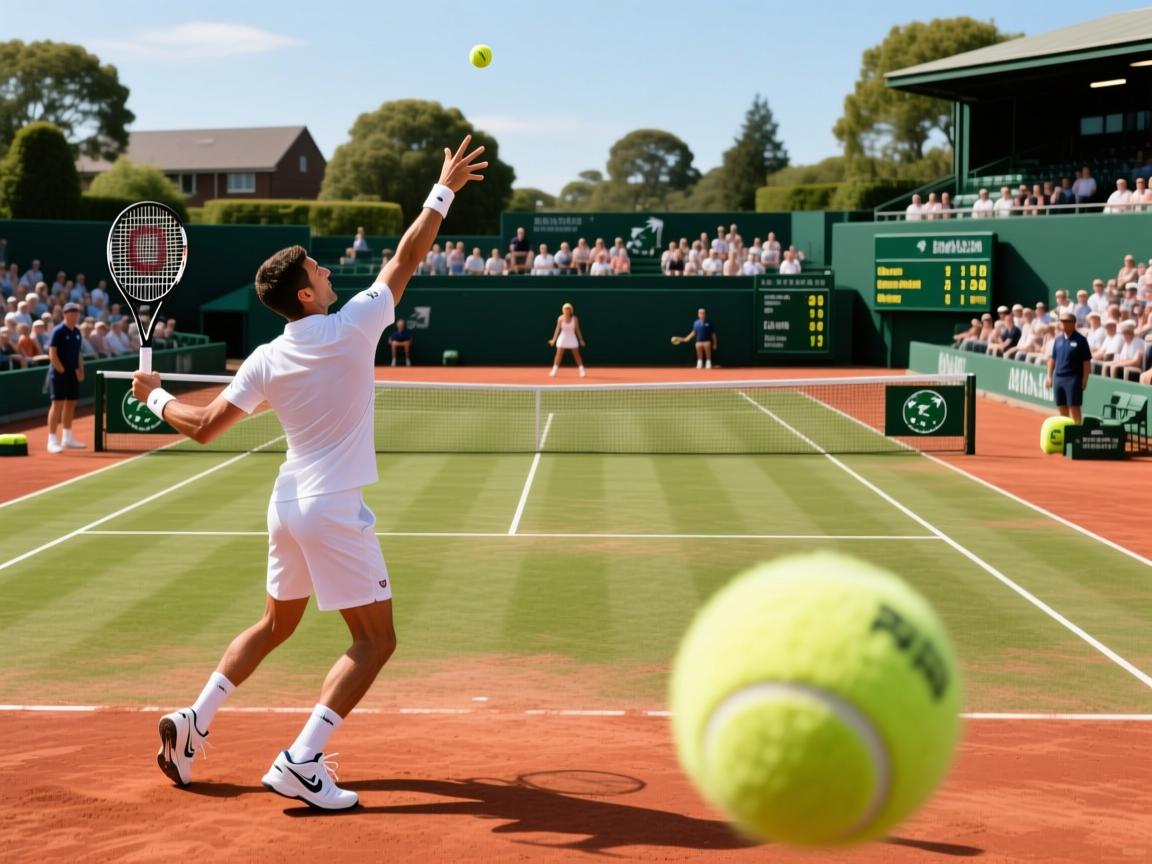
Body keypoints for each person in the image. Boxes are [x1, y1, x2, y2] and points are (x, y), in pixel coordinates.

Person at [131, 136, 487, 810]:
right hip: (331, 508)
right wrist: (443, 190)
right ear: (306, 292)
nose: (330, 273)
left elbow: (203, 428)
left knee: (274, 625)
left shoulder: (265, 356)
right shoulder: (355, 326)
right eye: (321, 270)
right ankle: (302, 759)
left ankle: (195, 721)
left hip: (287, 504)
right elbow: (408, 255)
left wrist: (152, 395)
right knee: (375, 641)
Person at [46, 303, 86, 453]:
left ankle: (67, 438)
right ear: (66, 314)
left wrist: (81, 371)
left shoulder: (77, 332)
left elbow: (79, 355)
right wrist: (61, 370)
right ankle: (51, 440)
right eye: (73, 312)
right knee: (57, 405)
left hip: (73, 374)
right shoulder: (58, 331)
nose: (76, 315)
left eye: (77, 313)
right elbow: (52, 353)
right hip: (59, 374)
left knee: (71, 404)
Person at [1046, 310, 1091, 424]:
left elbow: (1086, 362)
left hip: (1073, 378)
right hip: (1059, 378)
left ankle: (1076, 432)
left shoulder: (1081, 340)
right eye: (1062, 322)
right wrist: (1049, 376)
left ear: (1073, 323)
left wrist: (1085, 379)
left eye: (1066, 322)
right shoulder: (1058, 340)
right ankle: (1066, 430)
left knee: (1074, 406)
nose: (1063, 324)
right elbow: (1053, 359)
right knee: (1061, 406)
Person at [548, 301, 586, 377]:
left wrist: (581, 340)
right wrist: (553, 340)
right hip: (563, 338)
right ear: (563, 310)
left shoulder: (575, 319)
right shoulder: (560, 318)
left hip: (572, 338)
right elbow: (557, 330)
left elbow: (577, 330)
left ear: (571, 310)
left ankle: (582, 371)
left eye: (568, 309)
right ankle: (554, 371)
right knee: (558, 355)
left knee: (577, 355)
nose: (567, 310)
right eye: (565, 309)